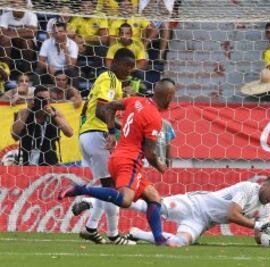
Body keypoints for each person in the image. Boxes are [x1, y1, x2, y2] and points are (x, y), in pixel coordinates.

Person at [59, 78, 177, 246]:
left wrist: (112, 132)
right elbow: (149, 153)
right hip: (130, 161)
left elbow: (110, 106)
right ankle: (80, 190)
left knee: (153, 197)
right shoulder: (155, 119)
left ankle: (158, 238)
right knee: (125, 200)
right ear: (168, 96)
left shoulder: (136, 101)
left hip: (117, 157)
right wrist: (160, 166)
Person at [71, 48, 136, 245]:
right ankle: (114, 234)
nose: (129, 70)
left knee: (108, 185)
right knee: (112, 188)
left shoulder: (108, 80)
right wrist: (112, 130)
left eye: (132, 67)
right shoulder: (109, 78)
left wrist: (120, 126)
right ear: (114, 62)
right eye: (126, 65)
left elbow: (93, 109)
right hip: (97, 135)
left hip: (88, 134)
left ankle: (92, 228)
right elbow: (102, 110)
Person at [124, 174, 270, 247]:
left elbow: (259, 238)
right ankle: (104, 199)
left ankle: (137, 233)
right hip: (194, 204)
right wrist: (258, 226)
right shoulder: (249, 189)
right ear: (264, 184)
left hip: (201, 222)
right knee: (154, 207)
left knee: (178, 243)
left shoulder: (266, 208)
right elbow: (232, 214)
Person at [11, 85, 73, 166]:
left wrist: (53, 116)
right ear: (34, 99)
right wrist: (27, 111)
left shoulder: (55, 113)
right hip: (26, 160)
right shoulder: (24, 112)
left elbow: (69, 133)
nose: (43, 102)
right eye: (40, 99)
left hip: (49, 160)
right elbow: (15, 134)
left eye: (46, 100)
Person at [0, 0, 38, 72]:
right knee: (4, 40)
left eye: (20, 6)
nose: (18, 8)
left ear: (25, 6)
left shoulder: (31, 15)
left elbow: (32, 33)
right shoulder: (5, 16)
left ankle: (27, 72)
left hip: (24, 41)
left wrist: (11, 33)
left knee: (27, 43)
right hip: (10, 42)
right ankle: (5, 72)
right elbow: (2, 33)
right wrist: (24, 30)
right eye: (15, 6)